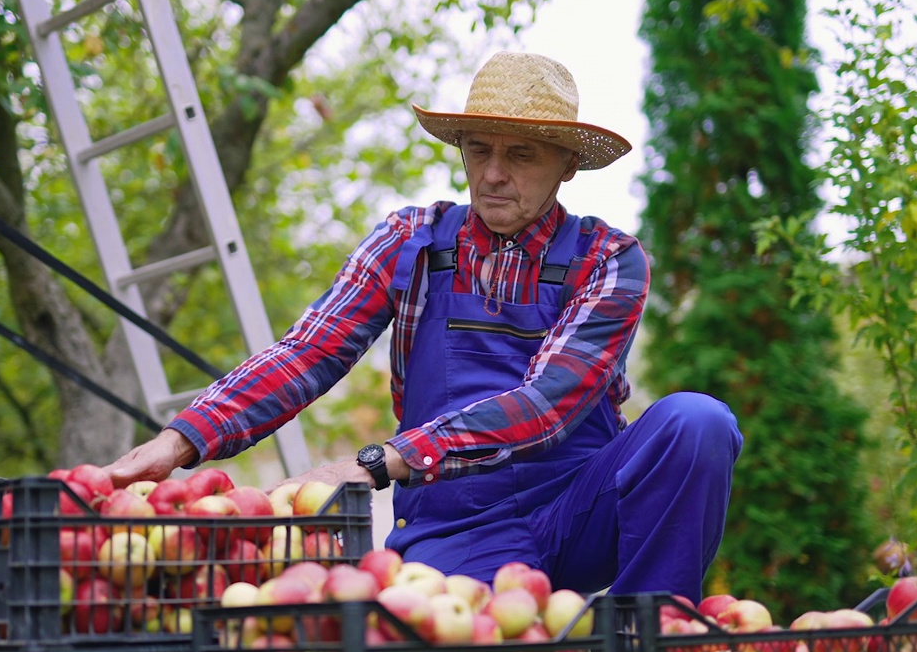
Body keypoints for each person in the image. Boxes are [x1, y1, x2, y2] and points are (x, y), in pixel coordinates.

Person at [105, 52, 742, 602]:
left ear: (568, 164)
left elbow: (551, 402)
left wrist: (388, 459)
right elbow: (307, 353)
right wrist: (183, 440)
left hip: (577, 507)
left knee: (698, 423)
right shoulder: (409, 240)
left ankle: (645, 645)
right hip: (456, 528)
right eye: (478, 149)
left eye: (521, 154)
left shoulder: (608, 258)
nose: (493, 173)